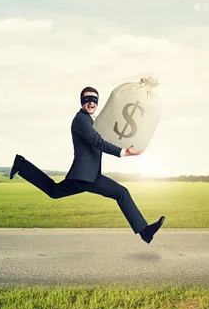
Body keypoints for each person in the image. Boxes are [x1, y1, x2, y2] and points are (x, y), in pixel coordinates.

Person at [9, 86, 165, 244]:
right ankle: (144, 231)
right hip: (87, 177)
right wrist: (123, 152)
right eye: (87, 99)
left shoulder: (92, 120)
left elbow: (106, 134)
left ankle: (22, 165)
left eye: (94, 99)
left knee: (54, 191)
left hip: (83, 175)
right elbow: (98, 142)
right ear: (81, 102)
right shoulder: (81, 120)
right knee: (122, 193)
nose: (91, 102)